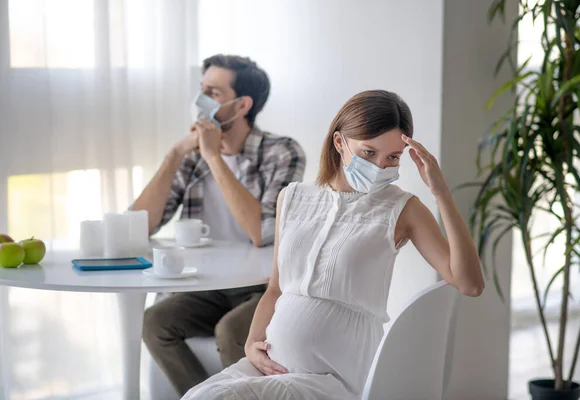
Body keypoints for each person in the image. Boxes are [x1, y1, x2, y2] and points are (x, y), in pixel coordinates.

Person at [182, 89, 485, 400]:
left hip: (335, 376)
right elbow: (276, 288)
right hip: (270, 366)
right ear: (340, 142)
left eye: (392, 157)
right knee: (197, 396)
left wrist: (441, 193)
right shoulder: (294, 197)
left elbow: (470, 284)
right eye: (369, 153)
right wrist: (251, 344)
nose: (380, 167)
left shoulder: (402, 209)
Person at [132, 54, 305, 396]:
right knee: (155, 322)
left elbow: (261, 232)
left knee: (231, 332)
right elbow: (139, 225)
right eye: (201, 90)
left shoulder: (282, 152)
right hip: (206, 287)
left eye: (213, 92)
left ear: (242, 105)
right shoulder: (192, 156)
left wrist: (215, 157)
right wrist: (174, 155)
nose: (201, 102)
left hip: (261, 287)